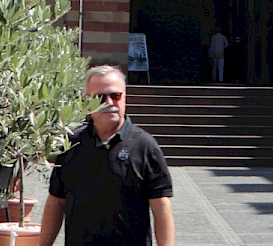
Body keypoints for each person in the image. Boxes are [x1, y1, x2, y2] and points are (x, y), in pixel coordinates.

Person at [39, 65, 173, 246]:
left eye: (115, 95)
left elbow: (161, 208)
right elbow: (56, 202)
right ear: (87, 102)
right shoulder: (71, 145)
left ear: (125, 97)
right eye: (100, 97)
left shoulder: (145, 147)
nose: (109, 102)